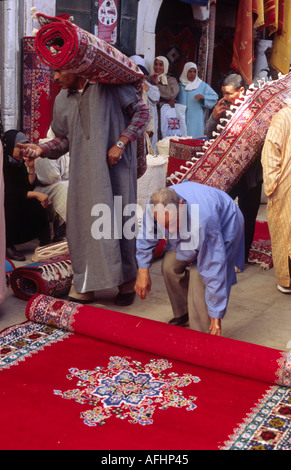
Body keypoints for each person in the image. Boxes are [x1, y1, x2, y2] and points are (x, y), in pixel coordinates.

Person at [18, 69, 149, 305]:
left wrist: (121, 142)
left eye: (60, 70)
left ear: (77, 66)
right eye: (53, 71)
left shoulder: (109, 84)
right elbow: (63, 140)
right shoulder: (62, 99)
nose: (55, 77)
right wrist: (42, 149)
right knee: (83, 225)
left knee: (120, 219)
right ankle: (85, 284)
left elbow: (141, 113)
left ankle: (126, 283)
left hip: (117, 168)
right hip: (83, 172)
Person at [134, 183, 245, 336]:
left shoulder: (203, 221)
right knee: (169, 267)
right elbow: (147, 236)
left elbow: (214, 270)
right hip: (190, 226)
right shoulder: (153, 206)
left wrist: (216, 312)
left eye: (172, 222)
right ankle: (184, 313)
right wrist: (143, 270)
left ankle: (203, 334)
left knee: (198, 275)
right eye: (165, 226)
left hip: (225, 224)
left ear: (181, 205)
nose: (171, 231)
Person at [205, 73, 263, 264]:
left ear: (241, 91)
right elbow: (209, 136)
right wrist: (214, 116)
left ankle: (242, 256)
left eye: (229, 93)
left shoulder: (256, 109)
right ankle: (220, 250)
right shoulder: (223, 110)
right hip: (229, 174)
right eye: (223, 93)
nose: (225, 98)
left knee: (248, 214)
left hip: (251, 175)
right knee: (220, 211)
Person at [3, 130, 51, 261]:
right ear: (9, 146)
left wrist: (31, 168)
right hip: (6, 203)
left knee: (35, 204)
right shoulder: (3, 164)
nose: (23, 151)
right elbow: (8, 192)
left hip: (16, 199)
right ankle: (7, 245)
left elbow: (28, 186)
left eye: (25, 147)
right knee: (10, 205)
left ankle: (45, 242)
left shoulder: (18, 163)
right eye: (19, 147)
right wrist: (35, 194)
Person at [261, 104, 291, 294]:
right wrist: (273, 183)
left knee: (284, 232)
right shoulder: (284, 116)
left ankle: (286, 279)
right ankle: (286, 279)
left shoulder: (283, 116)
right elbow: (272, 151)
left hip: (285, 183)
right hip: (286, 182)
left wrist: (272, 184)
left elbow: (270, 151)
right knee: (285, 230)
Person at [177, 62, 218, 138]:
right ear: (185, 72)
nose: (192, 74)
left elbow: (215, 97)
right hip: (181, 119)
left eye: (194, 71)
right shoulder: (180, 85)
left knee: (195, 140)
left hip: (196, 120)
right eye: (190, 71)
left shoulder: (201, 85)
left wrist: (204, 97)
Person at [147, 56, 180, 140]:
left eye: (161, 65)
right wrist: (166, 99)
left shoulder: (171, 80)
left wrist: (156, 85)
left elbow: (172, 94)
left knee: (165, 137)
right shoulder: (148, 79)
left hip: (165, 114)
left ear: (166, 66)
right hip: (152, 112)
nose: (158, 67)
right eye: (156, 64)